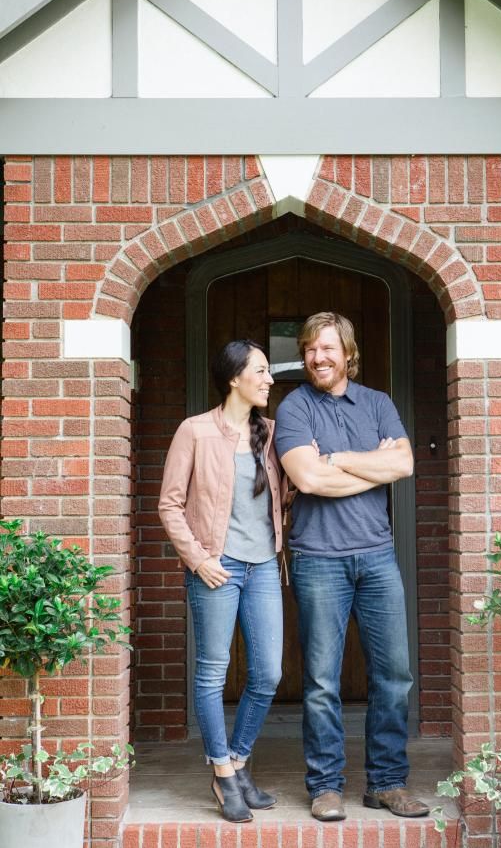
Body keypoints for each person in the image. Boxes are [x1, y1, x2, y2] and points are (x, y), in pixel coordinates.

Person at [274, 312, 428, 822]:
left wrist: (336, 458)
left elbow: (403, 464)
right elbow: (309, 480)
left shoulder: (379, 404)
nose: (318, 357)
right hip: (319, 558)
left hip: (378, 557)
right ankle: (325, 786)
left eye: (328, 348)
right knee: (321, 680)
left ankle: (386, 783)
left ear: (348, 353)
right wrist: (367, 463)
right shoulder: (294, 406)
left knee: (394, 675)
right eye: (310, 349)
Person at [158, 339, 284, 824]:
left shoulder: (271, 432)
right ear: (234, 378)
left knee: (268, 672)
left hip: (263, 567)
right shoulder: (194, 431)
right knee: (212, 672)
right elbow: (170, 503)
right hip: (216, 568)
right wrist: (197, 559)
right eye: (262, 370)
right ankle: (223, 773)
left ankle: (239, 759)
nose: (270, 379)